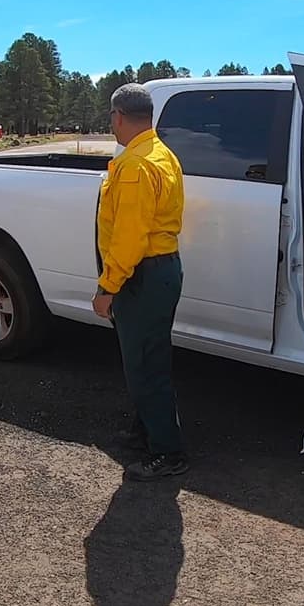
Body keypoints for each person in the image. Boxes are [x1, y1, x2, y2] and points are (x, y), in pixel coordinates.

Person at [92, 83, 188, 481]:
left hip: (141, 276)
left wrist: (107, 287)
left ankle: (167, 452)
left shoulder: (135, 165)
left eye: (111, 118)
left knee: (145, 366)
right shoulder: (160, 154)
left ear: (118, 116)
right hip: (158, 272)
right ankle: (148, 430)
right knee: (150, 358)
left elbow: (130, 236)